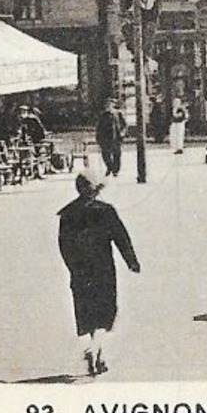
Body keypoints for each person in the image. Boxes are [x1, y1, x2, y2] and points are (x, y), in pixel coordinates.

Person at [57, 168, 141, 376]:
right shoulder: (106, 211)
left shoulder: (67, 214)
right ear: (97, 189)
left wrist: (73, 267)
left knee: (88, 312)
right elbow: (121, 238)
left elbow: (63, 245)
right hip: (103, 270)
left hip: (80, 272)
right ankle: (97, 351)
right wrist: (132, 261)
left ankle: (94, 350)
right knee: (105, 312)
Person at [96, 101, 126, 177]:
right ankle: (109, 167)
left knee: (117, 155)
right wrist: (98, 139)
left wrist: (122, 133)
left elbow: (124, 125)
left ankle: (115, 170)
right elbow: (99, 128)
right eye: (107, 105)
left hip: (116, 138)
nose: (108, 107)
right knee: (105, 155)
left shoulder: (118, 114)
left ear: (113, 106)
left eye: (110, 105)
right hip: (106, 138)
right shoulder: (103, 115)